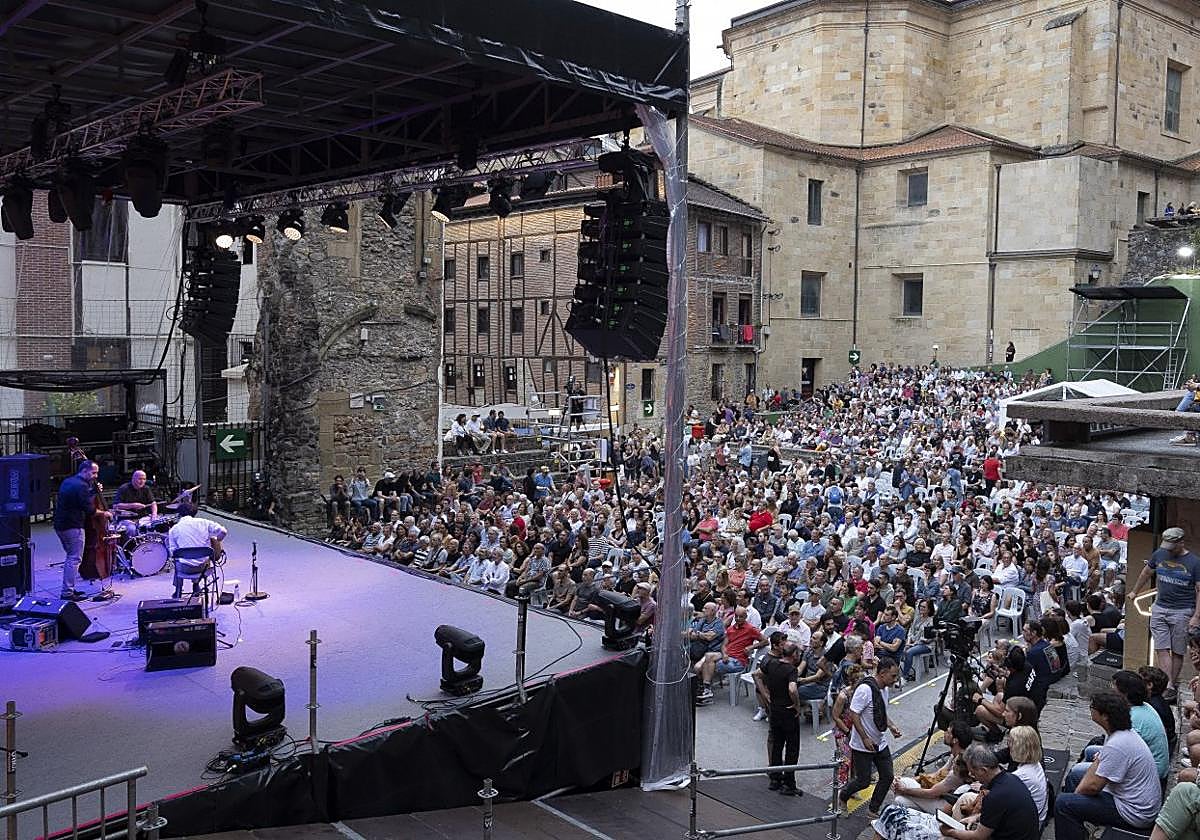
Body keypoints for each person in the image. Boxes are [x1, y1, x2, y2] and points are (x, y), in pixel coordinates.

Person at [1054, 691, 1161, 840]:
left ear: (1105, 716)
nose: (1090, 709)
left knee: (1063, 804)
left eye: (1093, 707)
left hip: (1134, 812)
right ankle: (1077, 827)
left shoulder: (1117, 744)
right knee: (1074, 777)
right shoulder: (1120, 734)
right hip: (1130, 797)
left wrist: (1075, 798)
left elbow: (1091, 787)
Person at [1129, 526, 1200, 700]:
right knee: (1161, 647)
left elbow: (1199, 590)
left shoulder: (1194, 562)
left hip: (1183, 609)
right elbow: (1147, 571)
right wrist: (1135, 591)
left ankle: (1170, 684)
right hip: (1160, 606)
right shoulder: (1159, 554)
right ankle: (1166, 683)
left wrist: (1196, 616)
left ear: (1180, 543)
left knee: (1177, 650)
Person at [840, 656, 902, 817]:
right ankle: (843, 796)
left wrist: (892, 726)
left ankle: (873, 809)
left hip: (880, 743)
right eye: (893, 676)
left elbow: (881, 712)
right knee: (863, 781)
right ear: (882, 673)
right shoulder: (865, 690)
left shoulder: (885, 690)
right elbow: (854, 714)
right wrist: (864, 737)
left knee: (887, 776)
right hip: (863, 745)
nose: (896, 679)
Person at [53, 460, 109, 600]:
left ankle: (69, 589)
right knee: (74, 559)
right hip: (73, 526)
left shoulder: (69, 481)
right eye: (94, 472)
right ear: (84, 471)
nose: (96, 476)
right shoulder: (82, 486)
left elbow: (79, 499)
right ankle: (67, 593)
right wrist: (105, 513)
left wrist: (93, 491)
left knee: (71, 557)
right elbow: (90, 510)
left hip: (60, 525)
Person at [891, 721, 973, 813]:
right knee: (900, 801)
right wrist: (914, 779)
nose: (944, 733)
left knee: (901, 782)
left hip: (943, 806)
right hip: (937, 796)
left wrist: (903, 789)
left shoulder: (959, 765)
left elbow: (932, 793)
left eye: (948, 732)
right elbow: (935, 775)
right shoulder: (954, 755)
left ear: (955, 740)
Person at [754, 642, 803, 795]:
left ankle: (775, 779)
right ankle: (789, 783)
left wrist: (765, 695)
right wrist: (797, 704)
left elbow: (757, 675)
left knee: (777, 744)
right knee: (792, 748)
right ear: (794, 655)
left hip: (774, 710)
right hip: (788, 712)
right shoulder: (791, 670)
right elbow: (792, 688)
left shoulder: (772, 664)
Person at [167, 500, 228, 599]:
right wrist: (217, 540)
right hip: (203, 568)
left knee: (178, 560)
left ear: (179, 514)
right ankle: (196, 585)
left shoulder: (174, 529)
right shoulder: (204, 522)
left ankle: (178, 590)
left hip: (185, 569)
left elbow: (173, 553)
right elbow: (223, 531)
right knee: (203, 557)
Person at [111, 469, 158, 541]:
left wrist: (154, 515)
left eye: (144, 479)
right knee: (131, 529)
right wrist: (133, 505)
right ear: (133, 479)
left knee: (156, 525)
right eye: (140, 479)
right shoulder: (124, 488)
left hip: (142, 518)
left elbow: (153, 503)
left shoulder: (146, 488)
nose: (142, 481)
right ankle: (132, 549)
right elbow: (115, 506)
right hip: (127, 520)